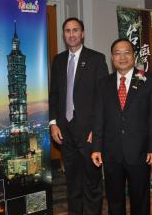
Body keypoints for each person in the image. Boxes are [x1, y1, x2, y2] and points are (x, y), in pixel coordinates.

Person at [91, 38, 152, 215]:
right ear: (111, 57)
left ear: (133, 56)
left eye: (127, 52)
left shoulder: (150, 81)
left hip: (140, 152)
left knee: (140, 200)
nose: (122, 57)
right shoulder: (103, 83)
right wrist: (96, 148)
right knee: (114, 201)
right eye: (117, 53)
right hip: (111, 152)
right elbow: (99, 118)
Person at [49, 17, 109, 214]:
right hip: (65, 131)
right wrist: (53, 123)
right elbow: (54, 95)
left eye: (75, 30)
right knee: (72, 182)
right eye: (67, 30)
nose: (71, 34)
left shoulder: (96, 59)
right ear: (64, 34)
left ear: (82, 34)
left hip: (88, 132)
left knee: (92, 182)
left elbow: (103, 98)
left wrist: (97, 130)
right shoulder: (58, 60)